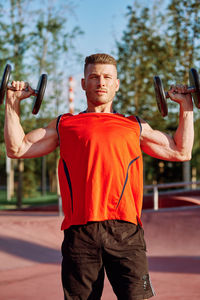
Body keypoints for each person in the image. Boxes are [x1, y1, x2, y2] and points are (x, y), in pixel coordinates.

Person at [4, 53, 194, 300]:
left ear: (116, 84)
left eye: (107, 77)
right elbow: (16, 148)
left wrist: (186, 106)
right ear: (83, 83)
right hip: (80, 233)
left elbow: (181, 151)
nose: (100, 82)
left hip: (126, 232)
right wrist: (12, 102)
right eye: (94, 77)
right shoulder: (65, 124)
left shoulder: (134, 125)